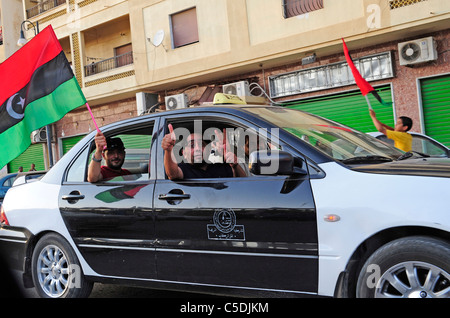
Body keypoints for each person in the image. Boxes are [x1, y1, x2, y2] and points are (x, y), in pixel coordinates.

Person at [161, 124, 246, 180]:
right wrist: (168, 150)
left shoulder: (220, 167)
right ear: (184, 153)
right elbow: (172, 174)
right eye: (192, 145)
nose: (198, 148)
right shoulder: (183, 169)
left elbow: (244, 183)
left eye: (202, 144)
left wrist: (235, 166)